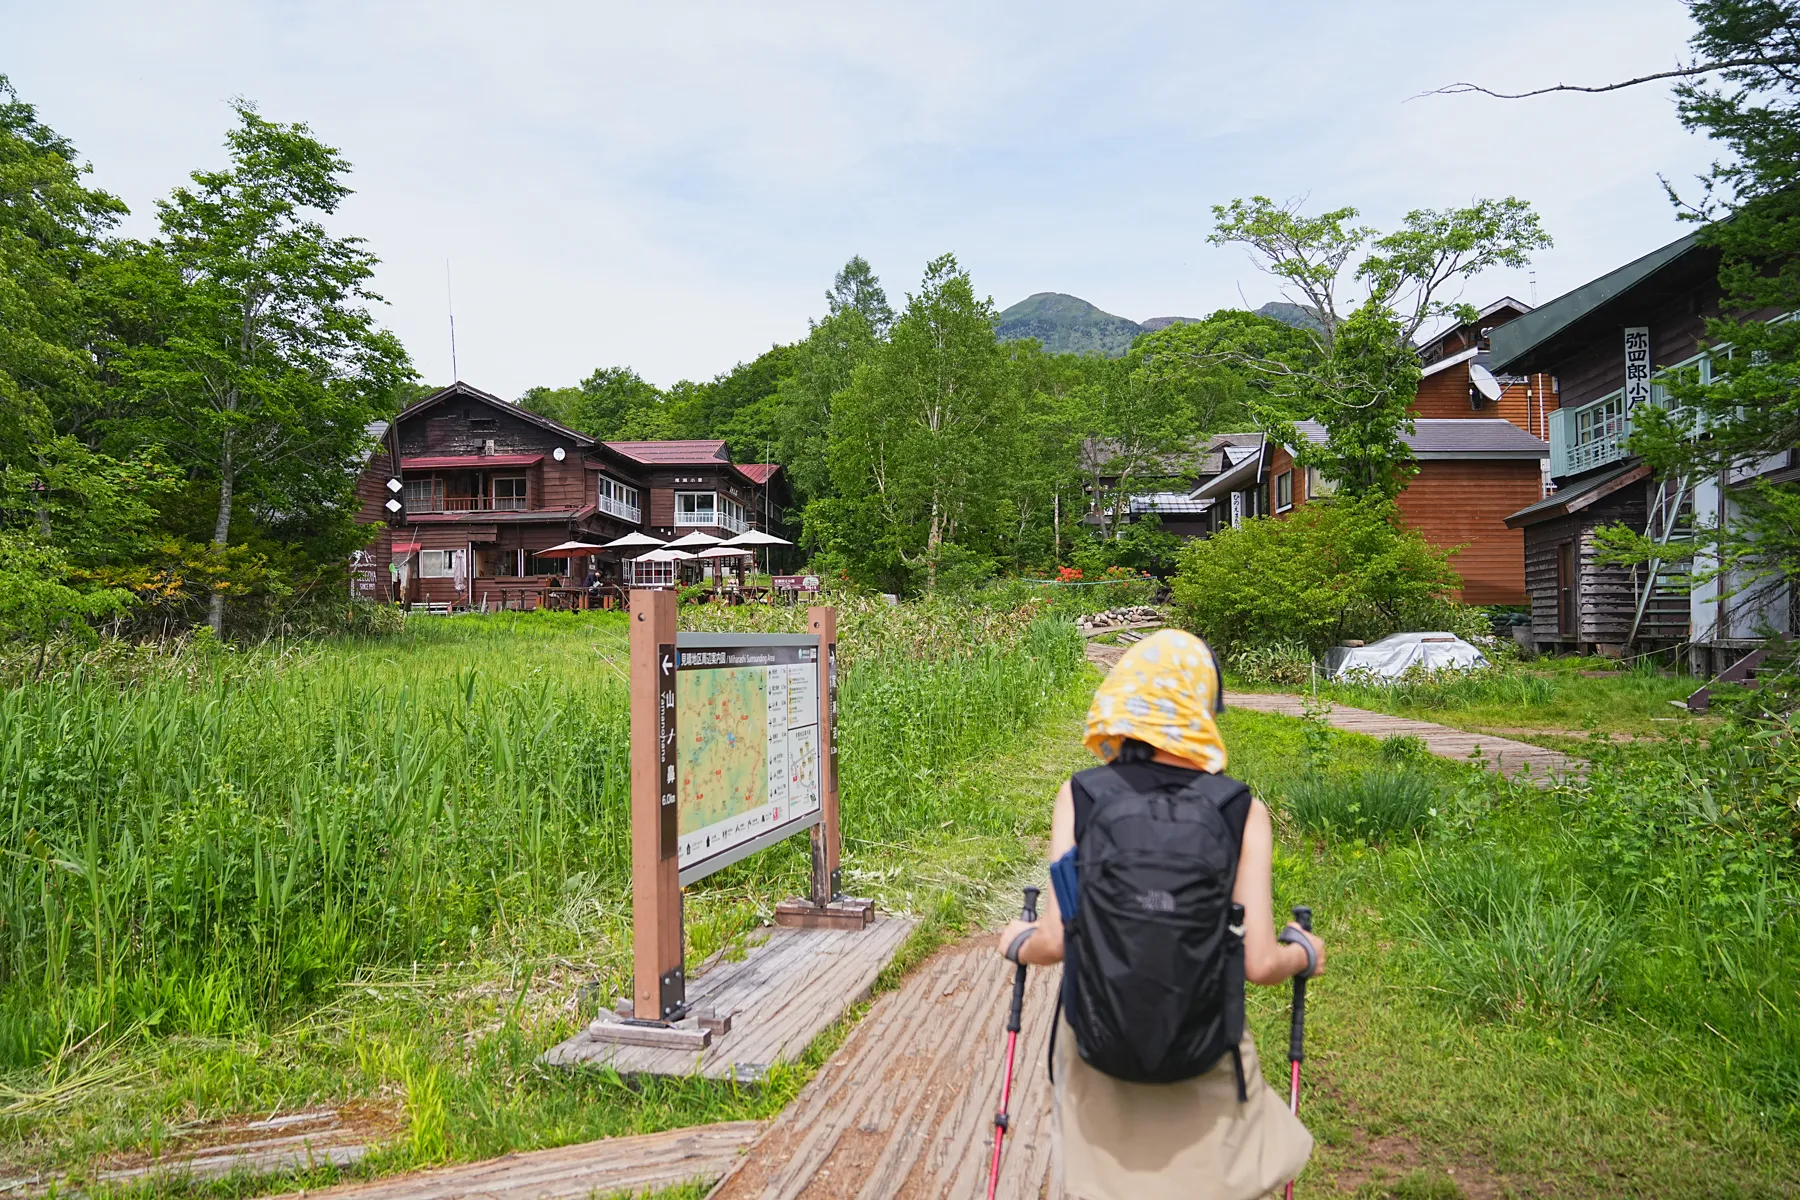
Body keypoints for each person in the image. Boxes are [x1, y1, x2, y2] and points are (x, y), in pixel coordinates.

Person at [997, 629, 1326, 1200]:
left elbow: (1054, 940)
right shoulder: (1239, 809)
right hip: (1204, 1047)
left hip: (1098, 1050)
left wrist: (1015, 939)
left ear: (1121, 701)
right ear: (1202, 707)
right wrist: (1305, 951)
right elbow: (1260, 962)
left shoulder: (1081, 796)